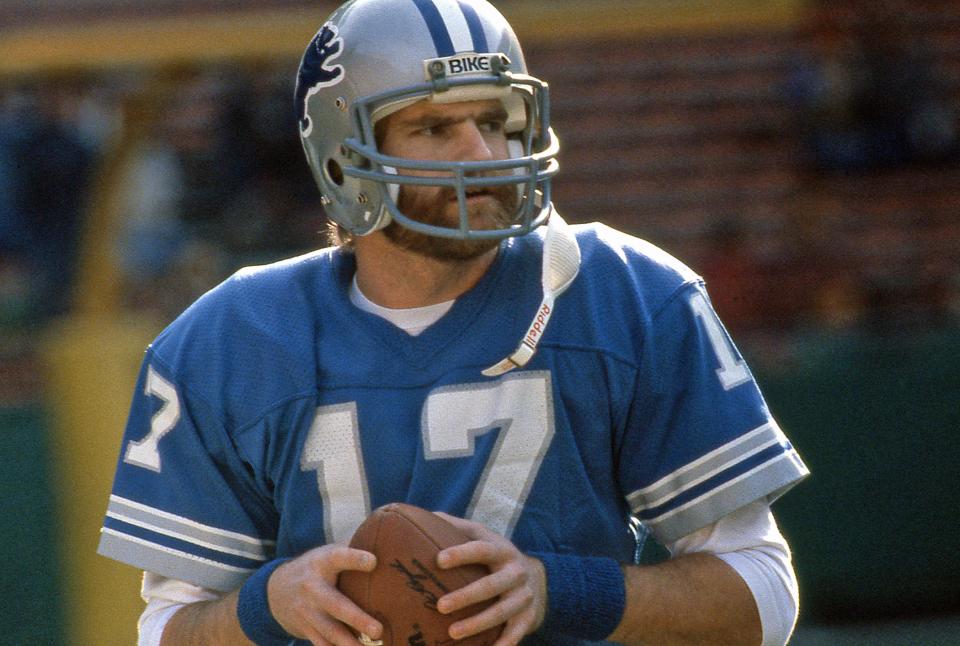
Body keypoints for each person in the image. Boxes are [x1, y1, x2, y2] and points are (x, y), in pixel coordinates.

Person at [98, 1, 809, 644]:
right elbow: (166, 630)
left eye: (496, 121)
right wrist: (267, 606)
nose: (483, 154)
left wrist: (558, 590)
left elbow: (763, 599)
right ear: (345, 161)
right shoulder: (228, 342)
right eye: (436, 126)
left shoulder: (626, 293)